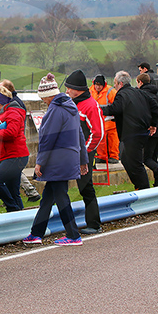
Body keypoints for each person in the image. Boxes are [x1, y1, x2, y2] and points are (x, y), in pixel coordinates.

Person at [22, 73, 87, 246]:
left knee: (60, 197)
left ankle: (73, 235)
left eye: (43, 98)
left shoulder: (55, 109)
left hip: (57, 160)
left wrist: (39, 162)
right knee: (48, 198)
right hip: (69, 157)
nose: (44, 102)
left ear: (47, 95)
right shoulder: (70, 106)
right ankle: (36, 233)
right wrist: (83, 160)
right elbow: (79, 135)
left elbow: (47, 139)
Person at [100, 71, 158, 190]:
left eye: (115, 83)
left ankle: (144, 189)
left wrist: (97, 109)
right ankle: (139, 186)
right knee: (126, 159)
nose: (114, 86)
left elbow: (115, 109)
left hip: (132, 133)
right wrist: (153, 123)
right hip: (140, 131)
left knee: (135, 163)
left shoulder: (122, 95)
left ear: (120, 83)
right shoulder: (140, 93)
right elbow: (155, 106)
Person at [63, 69, 103, 234]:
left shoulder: (90, 106)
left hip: (83, 154)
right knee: (59, 186)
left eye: (68, 88)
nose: (66, 91)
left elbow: (98, 133)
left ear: (77, 89)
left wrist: (83, 155)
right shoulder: (73, 102)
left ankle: (94, 224)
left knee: (85, 187)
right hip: (70, 152)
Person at [0, 85, 29, 212]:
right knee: (13, 190)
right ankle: (18, 213)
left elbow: (11, 134)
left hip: (16, 156)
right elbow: (1, 144)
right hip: (11, 156)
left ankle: (12, 207)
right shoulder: (2, 115)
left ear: (0, 102)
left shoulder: (13, 113)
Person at [0, 79, 41, 203]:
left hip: (14, 147)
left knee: (5, 177)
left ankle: (27, 193)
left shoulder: (14, 104)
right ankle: (21, 198)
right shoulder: (16, 102)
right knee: (13, 177)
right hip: (15, 146)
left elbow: (12, 129)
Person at [137, 73, 158, 187]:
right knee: (154, 157)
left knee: (147, 158)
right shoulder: (157, 95)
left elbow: (143, 113)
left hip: (151, 130)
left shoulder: (143, 95)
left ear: (140, 82)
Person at [89, 74, 119, 165]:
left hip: (110, 120)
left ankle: (114, 156)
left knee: (113, 140)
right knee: (100, 140)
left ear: (104, 84)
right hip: (98, 121)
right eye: (96, 85)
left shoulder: (111, 91)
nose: (98, 87)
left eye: (100, 85)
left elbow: (117, 105)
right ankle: (102, 156)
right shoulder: (90, 91)